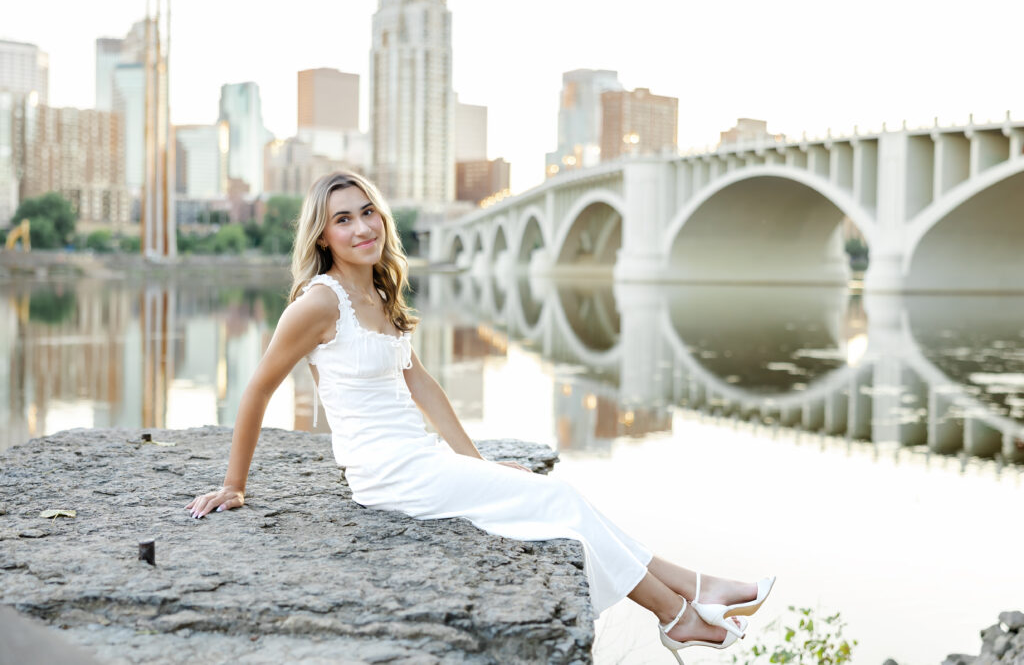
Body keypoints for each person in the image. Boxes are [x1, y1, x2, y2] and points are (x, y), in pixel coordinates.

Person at [186, 171, 775, 660]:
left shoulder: (379, 294)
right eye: (343, 219)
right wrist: (234, 485)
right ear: (323, 234)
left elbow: (422, 384)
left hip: (420, 459)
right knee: (560, 503)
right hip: (384, 474)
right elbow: (257, 390)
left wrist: (473, 459)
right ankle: (678, 613)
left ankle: (696, 586)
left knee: (555, 496)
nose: (362, 227)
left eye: (368, 212)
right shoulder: (318, 302)